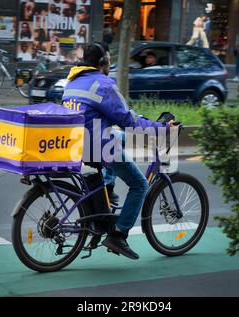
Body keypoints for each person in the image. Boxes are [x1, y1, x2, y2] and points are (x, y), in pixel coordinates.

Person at [61, 43, 174, 260]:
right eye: (108, 59)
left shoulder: (73, 81)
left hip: (74, 144)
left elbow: (116, 118)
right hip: (97, 146)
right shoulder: (103, 84)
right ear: (103, 62)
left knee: (119, 137)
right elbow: (127, 120)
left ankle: (108, 187)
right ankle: (118, 234)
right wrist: (160, 129)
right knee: (140, 185)